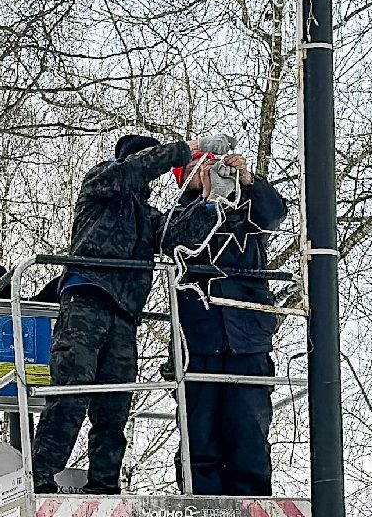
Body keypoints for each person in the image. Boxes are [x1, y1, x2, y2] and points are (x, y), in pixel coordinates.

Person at [30, 132, 196, 495]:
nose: (153, 164)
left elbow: (177, 237)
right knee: (71, 391)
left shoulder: (146, 216)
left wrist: (211, 200)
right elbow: (135, 170)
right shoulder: (102, 180)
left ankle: (104, 483)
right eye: (149, 157)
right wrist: (181, 151)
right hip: (86, 298)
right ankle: (40, 477)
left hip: (124, 314)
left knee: (115, 405)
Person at [167, 152, 286, 496]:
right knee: (200, 429)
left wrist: (248, 180)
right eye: (198, 167)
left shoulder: (247, 210)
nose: (209, 170)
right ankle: (199, 501)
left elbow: (275, 214)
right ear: (184, 179)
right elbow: (173, 242)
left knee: (249, 427)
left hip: (247, 338)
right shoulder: (180, 213)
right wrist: (208, 201)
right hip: (198, 338)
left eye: (214, 164)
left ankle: (252, 502)